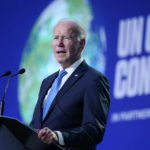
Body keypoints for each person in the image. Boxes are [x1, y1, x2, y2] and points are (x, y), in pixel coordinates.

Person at [30, 18, 110, 150]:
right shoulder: (47, 82)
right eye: (56, 37)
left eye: (66, 37)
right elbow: (35, 126)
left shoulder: (93, 79)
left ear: (82, 44)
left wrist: (58, 136)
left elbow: (94, 130)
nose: (59, 43)